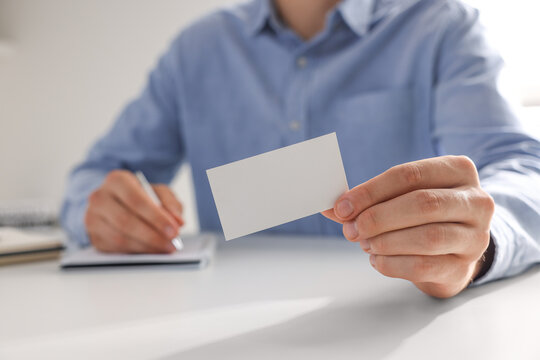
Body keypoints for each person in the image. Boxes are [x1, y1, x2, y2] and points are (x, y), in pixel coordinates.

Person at [61, 0, 540, 298]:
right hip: (219, 321)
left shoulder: (442, 28)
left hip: (397, 318)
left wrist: (475, 241)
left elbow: (525, 171)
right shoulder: (197, 50)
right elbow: (98, 175)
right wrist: (99, 211)